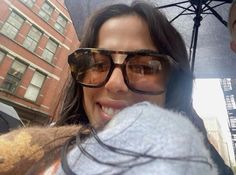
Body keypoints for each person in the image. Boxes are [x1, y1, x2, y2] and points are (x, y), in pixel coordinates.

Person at [0, 1, 233, 175]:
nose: (114, 84)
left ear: (173, 84)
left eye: (144, 67)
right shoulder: (27, 156)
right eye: (98, 63)